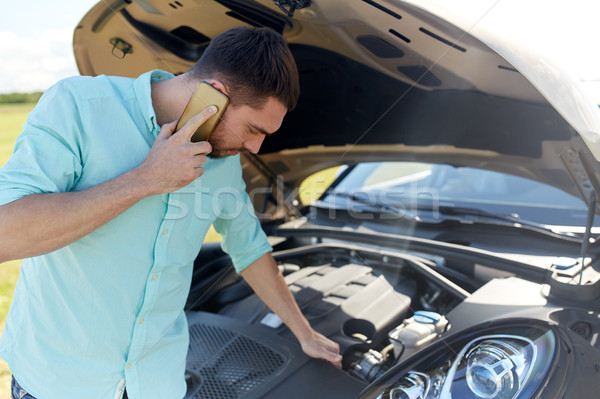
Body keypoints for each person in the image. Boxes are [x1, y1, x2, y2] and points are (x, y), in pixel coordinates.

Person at [0, 26, 341, 399]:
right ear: (216, 96)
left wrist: (304, 333)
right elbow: (6, 234)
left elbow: (250, 248)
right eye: (253, 129)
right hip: (56, 383)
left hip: (157, 384)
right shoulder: (79, 104)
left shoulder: (222, 161)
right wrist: (145, 179)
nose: (255, 147)